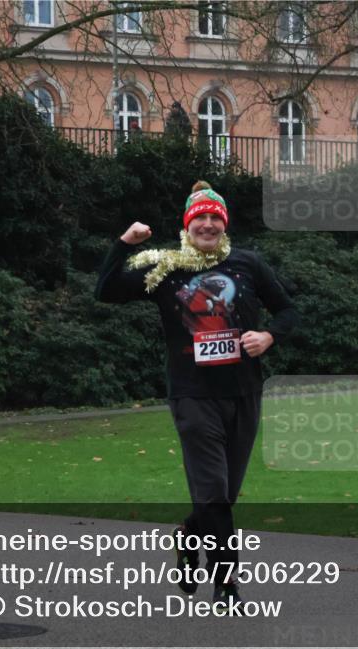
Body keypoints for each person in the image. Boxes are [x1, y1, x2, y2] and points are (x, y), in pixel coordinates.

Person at [94, 180, 298, 610]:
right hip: (192, 396)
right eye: (199, 217)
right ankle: (227, 586)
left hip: (243, 392)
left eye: (214, 218)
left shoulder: (248, 264)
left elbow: (288, 309)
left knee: (224, 493)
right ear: (187, 226)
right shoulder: (165, 268)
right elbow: (106, 291)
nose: (207, 224)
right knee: (213, 492)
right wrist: (124, 243)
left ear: (224, 225)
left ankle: (190, 535)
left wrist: (268, 336)